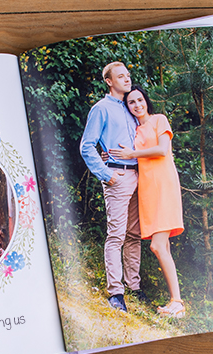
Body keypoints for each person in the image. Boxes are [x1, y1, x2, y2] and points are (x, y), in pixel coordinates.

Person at [110, 86, 185, 318]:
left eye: (139, 100)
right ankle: (175, 302)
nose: (137, 105)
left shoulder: (159, 120)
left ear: (146, 101)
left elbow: (163, 150)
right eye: (131, 102)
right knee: (163, 247)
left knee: (157, 245)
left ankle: (177, 302)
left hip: (164, 185)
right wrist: (108, 155)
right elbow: (122, 151)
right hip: (147, 189)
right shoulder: (136, 129)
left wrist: (132, 154)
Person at [79, 61, 146, 313]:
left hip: (139, 175)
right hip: (117, 176)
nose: (127, 79)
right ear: (109, 81)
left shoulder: (131, 106)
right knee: (116, 235)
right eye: (121, 76)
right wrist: (106, 174)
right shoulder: (101, 109)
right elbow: (87, 145)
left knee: (134, 234)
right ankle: (116, 294)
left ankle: (134, 287)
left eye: (128, 75)